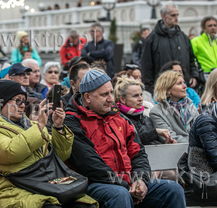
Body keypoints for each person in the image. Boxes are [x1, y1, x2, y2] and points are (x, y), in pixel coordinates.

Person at [64, 70, 186, 208]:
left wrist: (141, 180)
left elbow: (138, 153)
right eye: (104, 94)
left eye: (111, 92)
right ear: (87, 97)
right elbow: (90, 164)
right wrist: (126, 186)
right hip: (92, 185)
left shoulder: (120, 118)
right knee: (120, 194)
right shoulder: (72, 122)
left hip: (126, 182)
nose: (111, 98)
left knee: (172, 190)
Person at [0, 80, 97, 208]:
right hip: (13, 188)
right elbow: (9, 152)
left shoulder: (32, 126)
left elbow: (61, 156)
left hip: (46, 183)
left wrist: (58, 127)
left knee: (85, 206)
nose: (22, 105)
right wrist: (39, 127)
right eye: (17, 100)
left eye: (24, 101)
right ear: (1, 102)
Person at [141, 2, 199, 93]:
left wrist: (194, 76)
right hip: (162, 90)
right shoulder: (152, 39)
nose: (176, 18)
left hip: (184, 89)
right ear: (164, 16)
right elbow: (146, 67)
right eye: (173, 15)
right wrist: (150, 89)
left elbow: (192, 61)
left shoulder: (183, 37)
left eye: (177, 15)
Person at [114, 76, 172, 145]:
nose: (140, 98)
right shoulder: (118, 120)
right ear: (123, 99)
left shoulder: (146, 118)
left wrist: (166, 143)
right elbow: (130, 142)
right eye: (135, 96)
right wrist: (154, 133)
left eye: (141, 95)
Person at [150, 70, 199, 143]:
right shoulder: (156, 112)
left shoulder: (192, 107)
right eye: (179, 83)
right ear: (167, 89)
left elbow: (201, 131)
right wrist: (194, 144)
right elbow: (169, 137)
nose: (185, 86)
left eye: (184, 82)